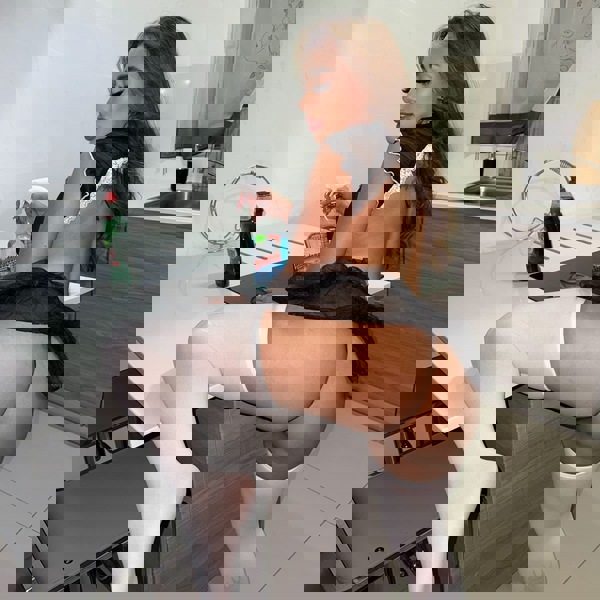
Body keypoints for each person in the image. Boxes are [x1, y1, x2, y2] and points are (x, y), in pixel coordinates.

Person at [111, 6, 494, 592]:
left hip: (325, 321)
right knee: (263, 473)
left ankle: (148, 526)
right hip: (330, 329)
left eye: (422, 81)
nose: (408, 94)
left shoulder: (400, 178)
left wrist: (300, 266)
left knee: (205, 401)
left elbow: (351, 260)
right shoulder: (392, 175)